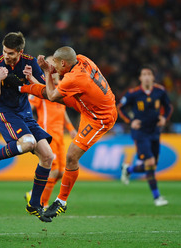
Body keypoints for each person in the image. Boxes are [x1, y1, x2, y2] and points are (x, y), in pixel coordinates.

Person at [19, 46, 117, 219]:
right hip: (88, 107)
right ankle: (20, 88)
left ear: (63, 62)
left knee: (71, 157)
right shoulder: (81, 58)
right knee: (58, 170)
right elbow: (51, 94)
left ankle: (61, 202)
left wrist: (47, 72)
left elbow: (51, 95)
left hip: (100, 118)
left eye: (55, 64)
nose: (54, 67)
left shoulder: (73, 79)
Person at [0, 32, 54, 222]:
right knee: (28, 143)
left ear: (20, 52)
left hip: (25, 113)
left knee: (48, 156)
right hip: (5, 112)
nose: (6, 56)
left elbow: (46, 92)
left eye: (10, 53)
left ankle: (34, 204)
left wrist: (33, 79)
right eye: (4, 51)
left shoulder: (30, 62)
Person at [25, 56, 77, 208]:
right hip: (48, 135)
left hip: (60, 134)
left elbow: (62, 109)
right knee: (53, 171)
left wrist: (71, 128)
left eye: (54, 64)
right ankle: (41, 203)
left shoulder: (62, 85)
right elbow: (28, 107)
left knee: (60, 172)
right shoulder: (42, 87)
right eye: (49, 64)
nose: (53, 68)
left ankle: (32, 194)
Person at [117, 65, 173, 206]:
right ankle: (157, 197)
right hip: (140, 132)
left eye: (149, 74)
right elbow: (120, 108)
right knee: (150, 163)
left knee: (151, 166)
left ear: (153, 77)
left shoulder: (160, 91)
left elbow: (168, 107)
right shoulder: (133, 93)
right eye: (144, 74)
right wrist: (131, 121)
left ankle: (128, 169)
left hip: (155, 131)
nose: (147, 76)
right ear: (140, 78)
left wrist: (164, 117)